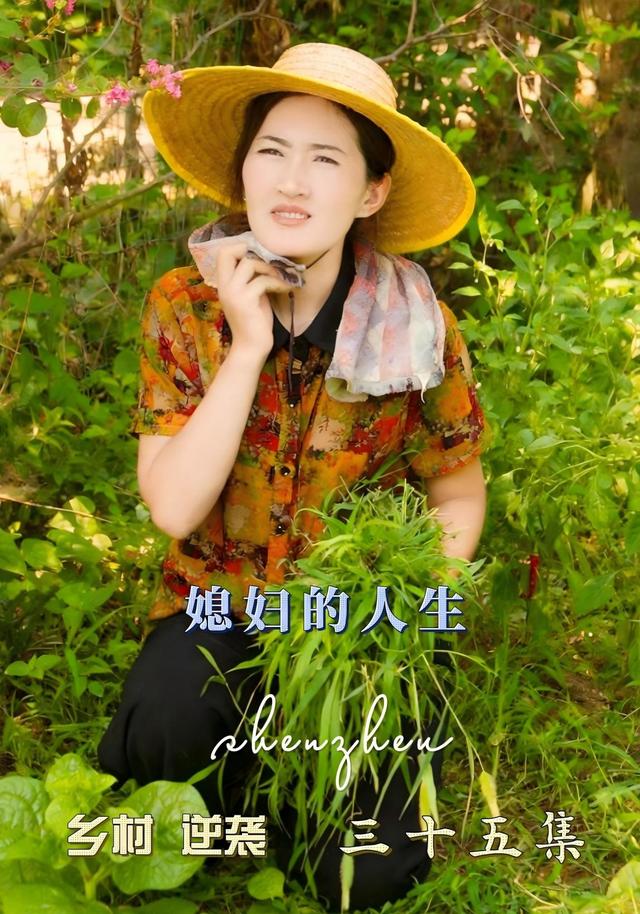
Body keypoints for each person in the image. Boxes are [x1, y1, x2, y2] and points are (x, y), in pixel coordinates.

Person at [98, 42, 488, 911]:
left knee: (365, 874)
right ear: (243, 171)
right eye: (271, 151)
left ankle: (304, 777)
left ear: (371, 192)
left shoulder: (415, 325)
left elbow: (458, 492)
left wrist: (406, 614)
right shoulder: (185, 305)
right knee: (167, 729)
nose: (292, 181)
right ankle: (242, 772)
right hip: (219, 608)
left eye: (326, 160)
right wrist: (247, 348)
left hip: (346, 626)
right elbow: (174, 507)